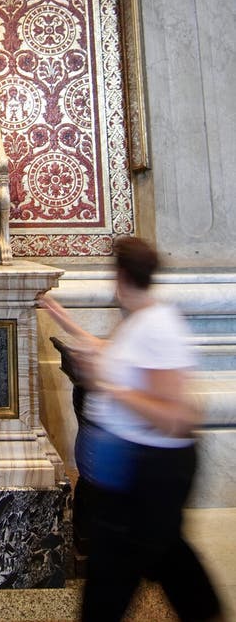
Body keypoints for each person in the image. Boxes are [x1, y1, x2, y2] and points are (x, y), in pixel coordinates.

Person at [37, 236, 225, 622]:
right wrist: (58, 314)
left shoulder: (159, 326)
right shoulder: (139, 318)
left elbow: (174, 416)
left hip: (151, 469)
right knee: (159, 554)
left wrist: (107, 387)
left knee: (127, 566)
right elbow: (111, 355)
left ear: (120, 275)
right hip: (128, 468)